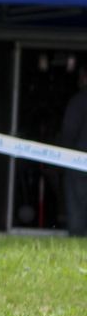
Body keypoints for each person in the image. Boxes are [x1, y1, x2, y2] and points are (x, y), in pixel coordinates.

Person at [59, 63, 87, 236]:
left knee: (77, 210)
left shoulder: (79, 101)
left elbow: (69, 132)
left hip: (78, 165)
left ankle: (77, 248)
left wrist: (62, 155)